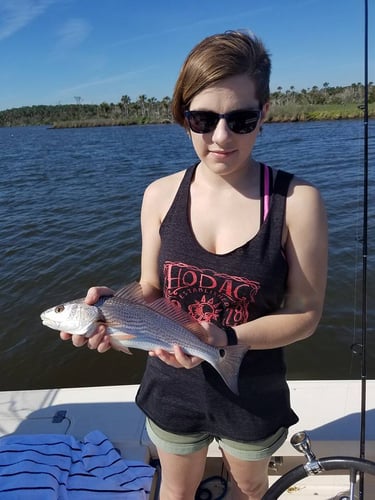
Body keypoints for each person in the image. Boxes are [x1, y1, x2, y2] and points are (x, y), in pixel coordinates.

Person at [61, 30, 328, 500]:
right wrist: (110, 309)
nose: (220, 137)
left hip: (252, 390)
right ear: (183, 116)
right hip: (170, 385)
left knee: (249, 489)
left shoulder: (297, 202)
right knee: (176, 490)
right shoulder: (159, 195)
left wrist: (226, 339)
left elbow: (306, 314)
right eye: (203, 118)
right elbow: (149, 286)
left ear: (264, 113)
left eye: (241, 118)